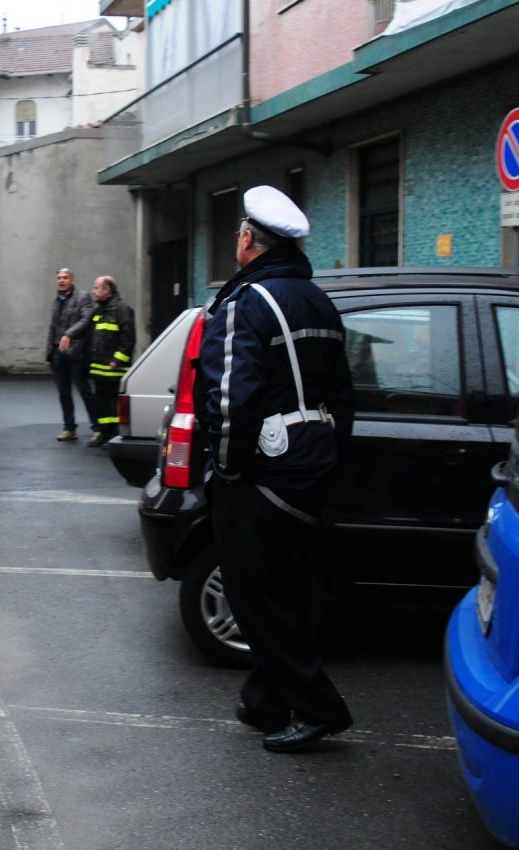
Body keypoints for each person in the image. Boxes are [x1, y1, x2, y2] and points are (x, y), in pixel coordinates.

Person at [192, 185, 355, 753]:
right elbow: (343, 394)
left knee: (254, 597)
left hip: (262, 472)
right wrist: (329, 457)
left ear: (247, 240)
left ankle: (317, 707)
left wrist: (227, 469)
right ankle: (264, 701)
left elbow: (229, 400)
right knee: (282, 590)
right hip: (310, 466)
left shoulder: (247, 301)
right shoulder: (318, 300)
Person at [78, 275, 134, 448]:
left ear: (107, 290)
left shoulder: (122, 309)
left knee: (113, 402)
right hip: (98, 368)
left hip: (113, 369)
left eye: (96, 288)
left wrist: (117, 361)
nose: (93, 291)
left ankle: (115, 435)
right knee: (101, 402)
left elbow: (128, 339)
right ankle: (104, 432)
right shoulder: (99, 310)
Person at [46, 268, 95, 442]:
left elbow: (86, 319)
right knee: (63, 392)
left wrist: (68, 334)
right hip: (58, 352)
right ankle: (69, 428)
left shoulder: (83, 297)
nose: (62, 280)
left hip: (76, 351)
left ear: (72, 280)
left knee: (85, 390)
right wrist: (49, 354)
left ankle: (97, 428)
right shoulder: (56, 301)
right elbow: (52, 327)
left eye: (65, 278)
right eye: (59, 278)